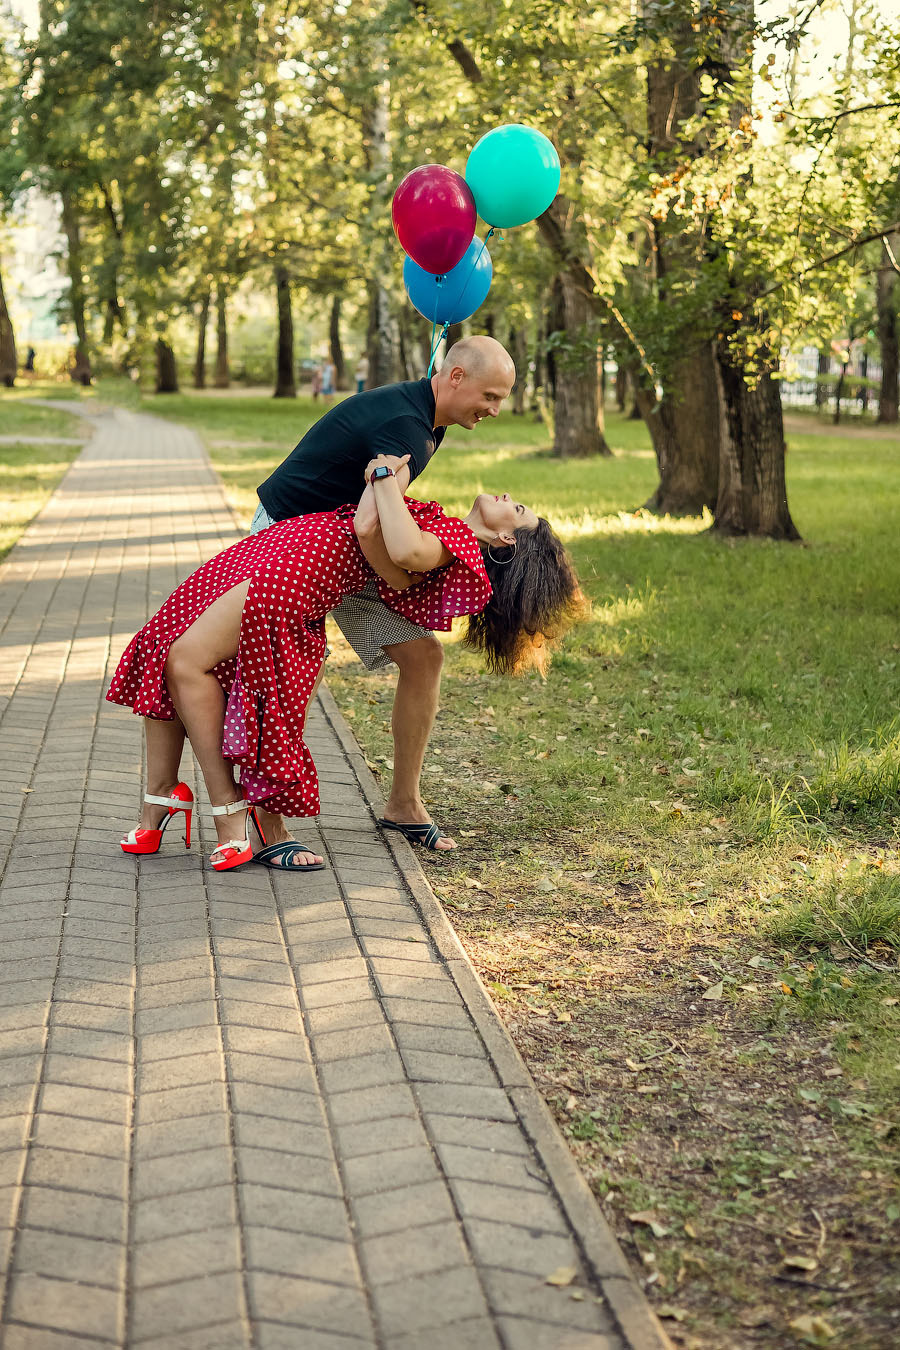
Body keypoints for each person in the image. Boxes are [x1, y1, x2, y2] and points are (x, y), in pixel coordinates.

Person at [107, 453, 582, 872]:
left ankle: (228, 815)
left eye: (515, 509)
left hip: (296, 573)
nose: (507, 495)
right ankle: (163, 800)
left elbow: (368, 526)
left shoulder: (448, 545)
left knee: (186, 662)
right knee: (161, 642)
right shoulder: (447, 530)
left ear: (504, 539)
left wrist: (383, 470)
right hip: (285, 545)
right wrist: (389, 476)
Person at [251, 334, 517, 854]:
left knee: (423, 656)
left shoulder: (425, 419)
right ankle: (268, 819)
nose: (496, 410)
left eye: (502, 398)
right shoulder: (406, 430)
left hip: (342, 537)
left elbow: (370, 520)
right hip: (285, 542)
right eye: (490, 396)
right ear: (456, 377)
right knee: (293, 668)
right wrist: (405, 577)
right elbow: (378, 530)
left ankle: (402, 803)